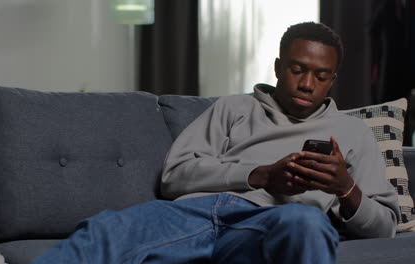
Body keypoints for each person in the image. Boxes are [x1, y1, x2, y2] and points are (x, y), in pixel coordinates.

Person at [31, 22, 400, 264]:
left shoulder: (352, 133)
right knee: (105, 228)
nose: (307, 84)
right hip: (196, 213)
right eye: (297, 69)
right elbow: (174, 176)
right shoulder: (234, 107)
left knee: (305, 223)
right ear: (277, 67)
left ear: (332, 80)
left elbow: (385, 227)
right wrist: (259, 175)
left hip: (271, 223)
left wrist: (345, 188)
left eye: (320, 76)